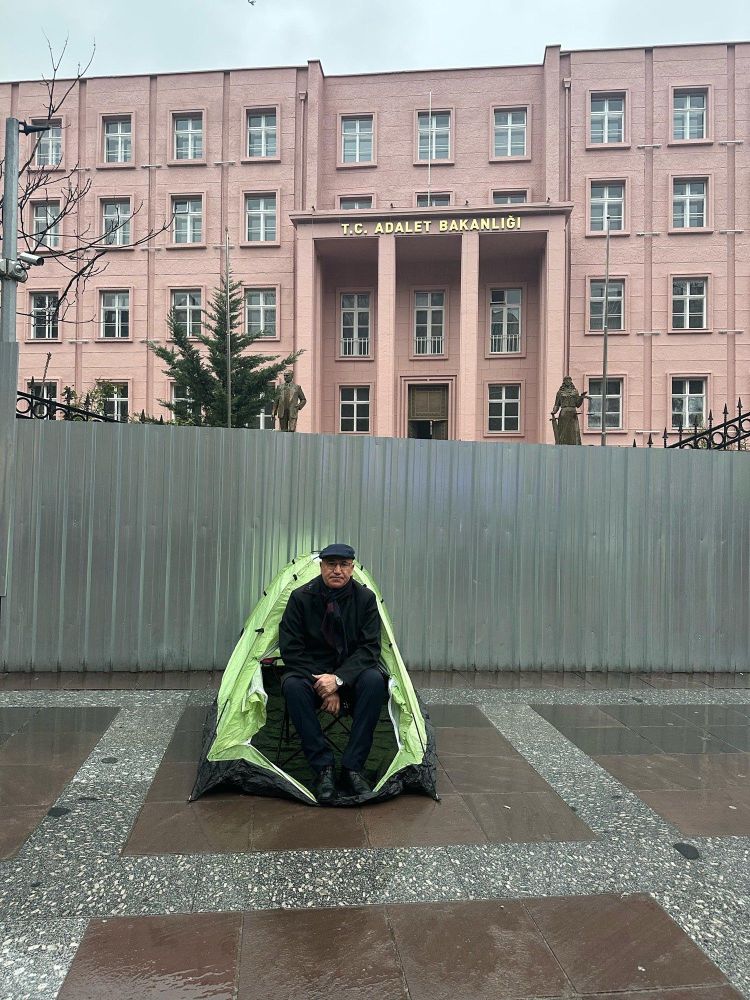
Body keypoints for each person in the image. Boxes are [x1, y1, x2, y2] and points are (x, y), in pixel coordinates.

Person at [278, 542, 386, 803]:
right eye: (331, 564)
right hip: (311, 676)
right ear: (321, 567)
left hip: (350, 678)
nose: (337, 570)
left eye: (343, 565)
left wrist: (338, 681)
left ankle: (352, 768)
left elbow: (370, 648)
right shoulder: (300, 598)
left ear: (352, 568)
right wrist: (324, 686)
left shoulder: (366, 599)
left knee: (374, 680)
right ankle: (323, 769)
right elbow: (291, 649)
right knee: (292, 685)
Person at [551, 376, 587, 445]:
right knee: (563, 431)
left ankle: (575, 445)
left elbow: (578, 404)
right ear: (564, 381)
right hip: (564, 413)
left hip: (573, 413)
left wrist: (581, 397)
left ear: (571, 381)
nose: (568, 381)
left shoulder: (575, 391)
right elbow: (557, 404)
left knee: (574, 431)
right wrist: (554, 411)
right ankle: (562, 445)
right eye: (566, 380)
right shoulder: (560, 392)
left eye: (569, 380)